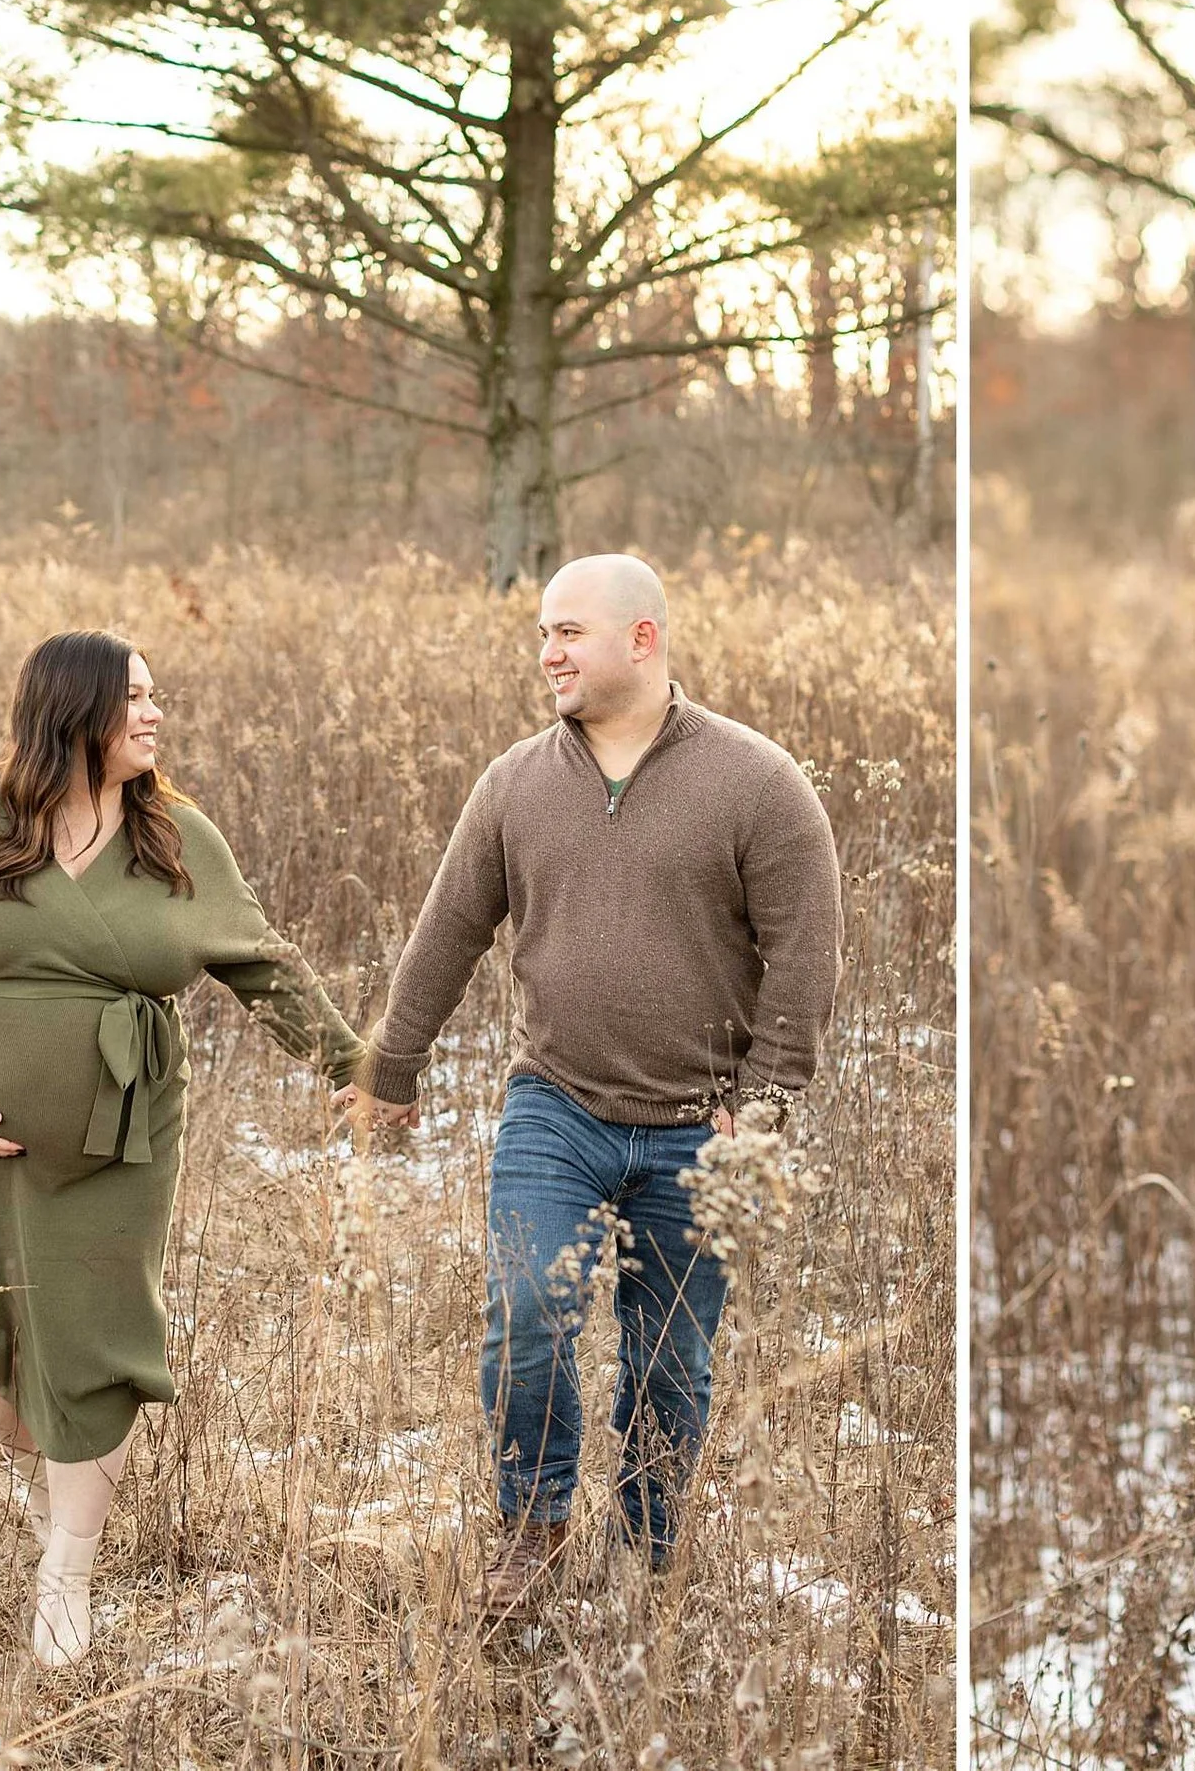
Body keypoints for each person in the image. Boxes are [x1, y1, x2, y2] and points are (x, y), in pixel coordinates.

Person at [341, 553, 841, 1608]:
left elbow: (805, 955)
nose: (548, 654)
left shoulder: (757, 783)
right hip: (556, 1106)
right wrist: (391, 1069)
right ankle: (533, 1527)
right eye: (543, 634)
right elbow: (446, 935)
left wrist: (763, 1108)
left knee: (671, 1356)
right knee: (526, 1309)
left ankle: (649, 1549)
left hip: (702, 1126)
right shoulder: (514, 784)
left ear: (641, 639)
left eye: (568, 632)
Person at [0, 630, 367, 1669]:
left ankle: (68, 1572)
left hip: (120, 1138)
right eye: (133, 698)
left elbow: (261, 963)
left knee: (97, 1342)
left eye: (154, 696)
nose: (154, 714)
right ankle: (44, 1493)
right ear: (73, 710)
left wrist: (355, 1066)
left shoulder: (175, 838)